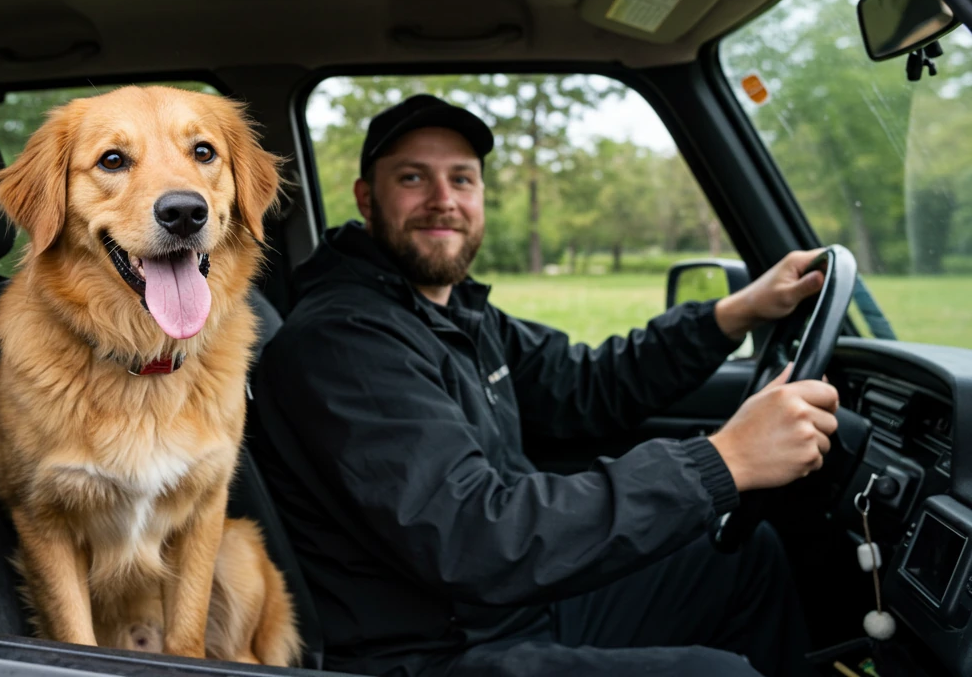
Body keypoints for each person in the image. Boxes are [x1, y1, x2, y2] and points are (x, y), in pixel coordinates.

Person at [248, 94, 840, 677]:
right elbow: (476, 535)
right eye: (412, 178)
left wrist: (734, 313)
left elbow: (587, 385)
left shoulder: (453, 314)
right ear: (366, 199)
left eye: (463, 179)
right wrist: (724, 459)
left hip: (500, 609)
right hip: (427, 650)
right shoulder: (345, 342)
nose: (443, 200)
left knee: (742, 559)